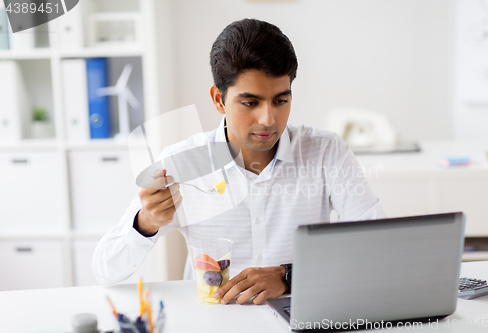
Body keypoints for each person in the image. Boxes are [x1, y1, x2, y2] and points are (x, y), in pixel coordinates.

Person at [93, 18, 385, 305]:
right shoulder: (181, 162)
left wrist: (288, 277)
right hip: (214, 321)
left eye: (281, 101)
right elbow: (106, 270)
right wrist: (146, 223)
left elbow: (378, 250)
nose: (268, 119)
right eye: (250, 103)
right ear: (219, 100)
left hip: (301, 319)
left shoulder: (326, 152)